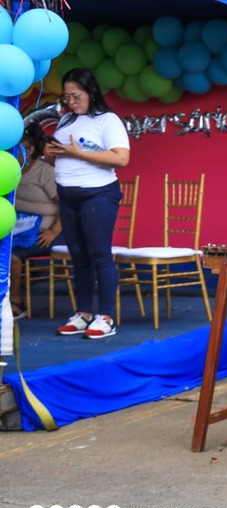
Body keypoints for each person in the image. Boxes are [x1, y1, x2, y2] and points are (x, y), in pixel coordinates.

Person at [44, 68, 130, 339]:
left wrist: (79, 153)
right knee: (78, 258)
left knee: (99, 254)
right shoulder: (65, 121)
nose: (71, 101)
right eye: (66, 96)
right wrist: (50, 154)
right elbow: (64, 158)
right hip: (68, 195)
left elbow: (121, 158)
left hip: (97, 193)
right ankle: (82, 313)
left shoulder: (108, 120)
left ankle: (105, 316)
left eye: (76, 95)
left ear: (91, 92)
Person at [9, 124, 65, 320]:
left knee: (12, 257)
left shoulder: (44, 172)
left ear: (30, 150)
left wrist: (54, 231)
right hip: (17, 229)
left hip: (48, 232)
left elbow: (65, 204)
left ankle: (16, 304)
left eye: (16, 149)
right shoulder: (8, 172)